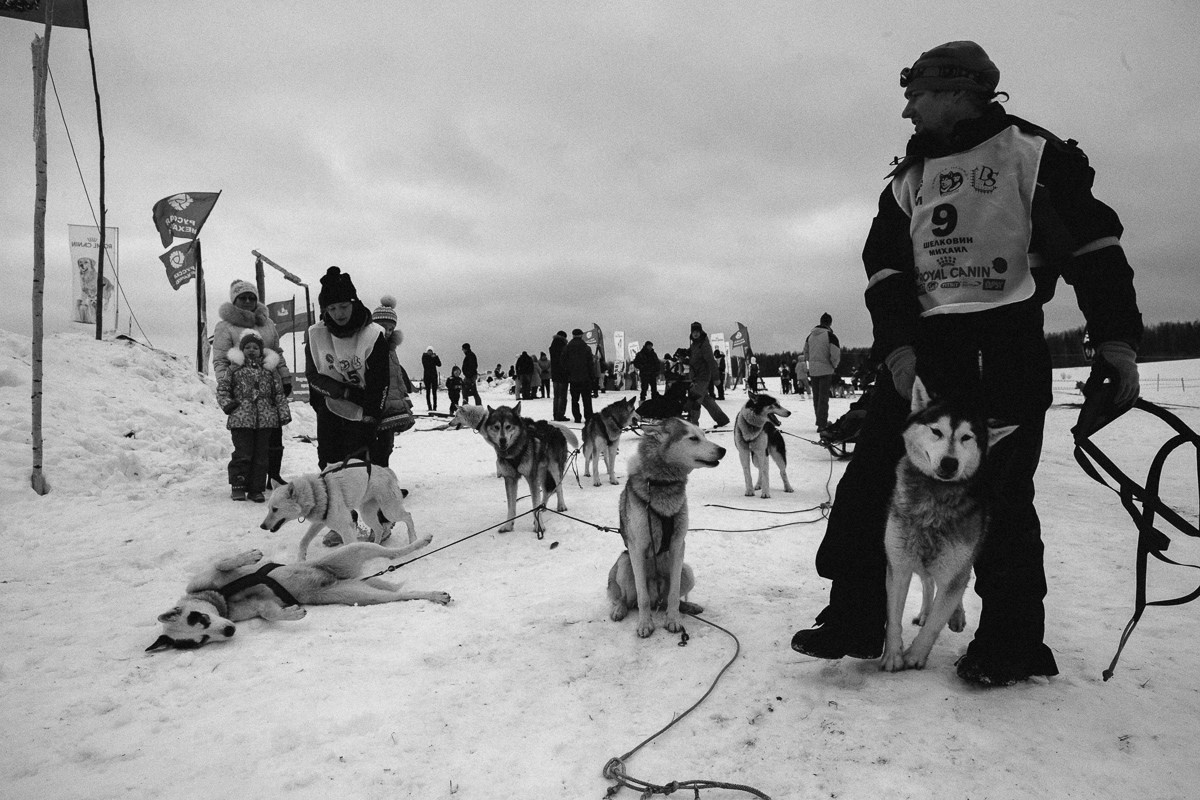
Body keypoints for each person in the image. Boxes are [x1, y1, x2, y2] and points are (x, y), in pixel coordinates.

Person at [790, 41, 1142, 687]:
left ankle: (1009, 644)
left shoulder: (1032, 155)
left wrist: (1116, 340)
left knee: (1001, 504)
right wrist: (897, 348)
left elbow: (1094, 247)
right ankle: (857, 616)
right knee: (871, 483)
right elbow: (885, 271)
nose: (908, 110)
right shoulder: (909, 178)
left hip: (1007, 349)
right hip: (924, 359)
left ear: (958, 91)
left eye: (916, 95)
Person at [305, 266, 389, 469]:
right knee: (329, 459)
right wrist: (342, 391)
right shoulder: (316, 335)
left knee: (359, 459)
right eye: (331, 309)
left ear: (353, 303)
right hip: (330, 402)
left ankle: (371, 490)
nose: (338, 313)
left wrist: (372, 414)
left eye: (343, 306)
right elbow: (313, 374)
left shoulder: (372, 334)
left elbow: (379, 379)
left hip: (364, 405)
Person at [212, 279, 292, 488]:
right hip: (243, 391)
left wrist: (285, 378)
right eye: (243, 297)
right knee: (247, 441)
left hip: (268, 386)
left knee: (273, 434)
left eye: (251, 297)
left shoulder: (267, 323)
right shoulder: (225, 326)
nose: (248, 301)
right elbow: (220, 360)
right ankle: (244, 480)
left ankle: (273, 476)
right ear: (234, 300)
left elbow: (277, 352)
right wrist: (226, 387)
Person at [217, 330, 291, 502]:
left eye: (255, 347)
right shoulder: (234, 369)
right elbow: (223, 389)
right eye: (247, 347)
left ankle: (256, 489)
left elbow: (278, 394)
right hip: (241, 418)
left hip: (266, 419)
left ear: (261, 350)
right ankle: (238, 485)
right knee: (243, 453)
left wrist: (283, 413)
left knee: (261, 456)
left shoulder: (270, 371)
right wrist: (228, 404)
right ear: (242, 350)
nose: (251, 350)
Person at [369, 296, 412, 468]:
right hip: (376, 405)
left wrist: (404, 396)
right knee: (374, 446)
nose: (386, 332)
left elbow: (396, 376)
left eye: (390, 328)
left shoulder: (391, 349)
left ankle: (384, 482)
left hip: (391, 404)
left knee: (387, 446)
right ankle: (375, 482)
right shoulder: (369, 346)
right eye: (382, 327)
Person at [686, 322, 730, 428]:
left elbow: (711, 362)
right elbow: (693, 360)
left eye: (697, 332)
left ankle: (693, 425)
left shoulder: (704, 345)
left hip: (703, 376)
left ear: (701, 332)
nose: (695, 334)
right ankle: (722, 419)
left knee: (695, 399)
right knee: (705, 399)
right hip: (696, 377)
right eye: (693, 332)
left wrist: (716, 378)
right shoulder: (694, 345)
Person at [803, 312, 841, 431]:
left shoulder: (810, 336)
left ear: (820, 321)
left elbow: (805, 353)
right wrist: (834, 365)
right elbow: (835, 354)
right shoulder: (830, 336)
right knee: (824, 398)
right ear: (830, 323)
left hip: (814, 371)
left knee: (817, 398)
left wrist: (811, 364)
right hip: (826, 370)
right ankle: (822, 423)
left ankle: (820, 421)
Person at [562, 328, 594, 423]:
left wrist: (568, 372)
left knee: (575, 400)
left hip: (573, 378)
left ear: (572, 335)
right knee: (587, 399)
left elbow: (563, 362)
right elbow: (590, 363)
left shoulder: (567, 348)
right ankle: (588, 417)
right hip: (585, 378)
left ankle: (577, 417)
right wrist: (591, 376)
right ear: (581, 335)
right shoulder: (586, 348)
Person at [549, 330, 569, 421]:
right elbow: (565, 361)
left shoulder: (552, 346)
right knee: (562, 396)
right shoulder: (563, 346)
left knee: (556, 396)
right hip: (563, 374)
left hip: (554, 374)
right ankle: (560, 415)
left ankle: (555, 414)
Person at [421, 346, 442, 411]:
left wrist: (436, 357)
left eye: (431, 351)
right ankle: (429, 406)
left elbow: (439, 364)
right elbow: (426, 365)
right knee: (428, 392)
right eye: (429, 351)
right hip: (427, 376)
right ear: (427, 351)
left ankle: (435, 407)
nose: (430, 352)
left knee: (434, 392)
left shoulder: (434, 357)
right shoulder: (424, 357)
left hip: (434, 376)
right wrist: (431, 358)